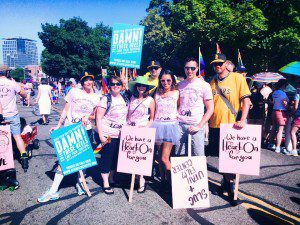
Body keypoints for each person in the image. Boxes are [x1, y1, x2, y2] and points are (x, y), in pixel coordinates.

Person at [37, 71, 100, 203]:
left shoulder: (96, 97)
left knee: (82, 160)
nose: (89, 82)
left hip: (85, 130)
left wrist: (87, 117)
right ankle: (53, 190)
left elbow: (96, 116)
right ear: (82, 82)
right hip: (70, 129)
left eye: (91, 80)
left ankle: (79, 182)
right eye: (86, 80)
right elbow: (65, 109)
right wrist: (59, 125)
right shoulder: (73, 92)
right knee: (64, 160)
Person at [208, 54, 251, 206]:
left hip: (232, 125)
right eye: (215, 64)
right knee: (222, 158)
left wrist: (242, 119)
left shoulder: (237, 78)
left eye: (220, 63)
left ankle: (231, 187)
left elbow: (246, 100)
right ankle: (226, 183)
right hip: (214, 125)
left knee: (230, 159)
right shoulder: (212, 81)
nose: (217, 66)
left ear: (226, 63)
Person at [96, 76, 129, 195]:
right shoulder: (106, 99)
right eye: (113, 84)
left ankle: (111, 178)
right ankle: (105, 182)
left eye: (118, 84)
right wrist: (101, 135)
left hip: (121, 134)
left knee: (116, 158)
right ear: (109, 86)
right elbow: (98, 118)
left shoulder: (125, 98)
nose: (116, 86)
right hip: (108, 134)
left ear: (122, 85)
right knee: (106, 158)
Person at [175, 57, 214, 157]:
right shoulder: (179, 85)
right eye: (187, 68)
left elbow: (210, 108)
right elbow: (177, 105)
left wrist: (199, 126)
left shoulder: (204, 85)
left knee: (198, 157)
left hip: (196, 124)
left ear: (197, 68)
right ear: (184, 69)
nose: (189, 71)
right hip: (180, 125)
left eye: (192, 68)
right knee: (180, 157)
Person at [150, 70, 179, 192]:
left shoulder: (177, 93)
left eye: (168, 80)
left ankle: (174, 183)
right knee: (159, 156)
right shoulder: (156, 93)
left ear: (172, 80)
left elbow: (180, 107)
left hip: (170, 126)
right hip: (157, 125)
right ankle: (163, 181)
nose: (165, 83)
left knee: (164, 158)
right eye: (163, 80)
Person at [127, 76, 155, 193]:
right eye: (139, 85)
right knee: (131, 154)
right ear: (136, 86)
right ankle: (133, 177)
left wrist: (146, 127)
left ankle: (142, 179)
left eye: (143, 86)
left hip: (143, 130)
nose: (141, 87)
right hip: (131, 129)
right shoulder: (131, 98)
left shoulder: (150, 100)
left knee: (141, 156)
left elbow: (152, 118)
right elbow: (127, 114)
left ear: (147, 87)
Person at [0, 65, 29, 172]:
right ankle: (24, 158)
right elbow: (24, 95)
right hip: (12, 114)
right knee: (17, 136)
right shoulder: (12, 83)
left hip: (0, 116)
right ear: (7, 73)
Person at [270, 79, 289, 153]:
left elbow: (273, 102)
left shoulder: (274, 92)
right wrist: (289, 108)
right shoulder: (283, 93)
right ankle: (278, 147)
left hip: (274, 111)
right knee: (280, 130)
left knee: (274, 128)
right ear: (283, 85)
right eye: (286, 85)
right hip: (281, 112)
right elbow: (284, 103)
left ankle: (271, 144)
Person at [289, 81, 300, 156]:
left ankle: (294, 150)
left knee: (292, 132)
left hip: (298, 116)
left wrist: (291, 113)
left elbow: (295, 107)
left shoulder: (298, 94)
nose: (297, 87)